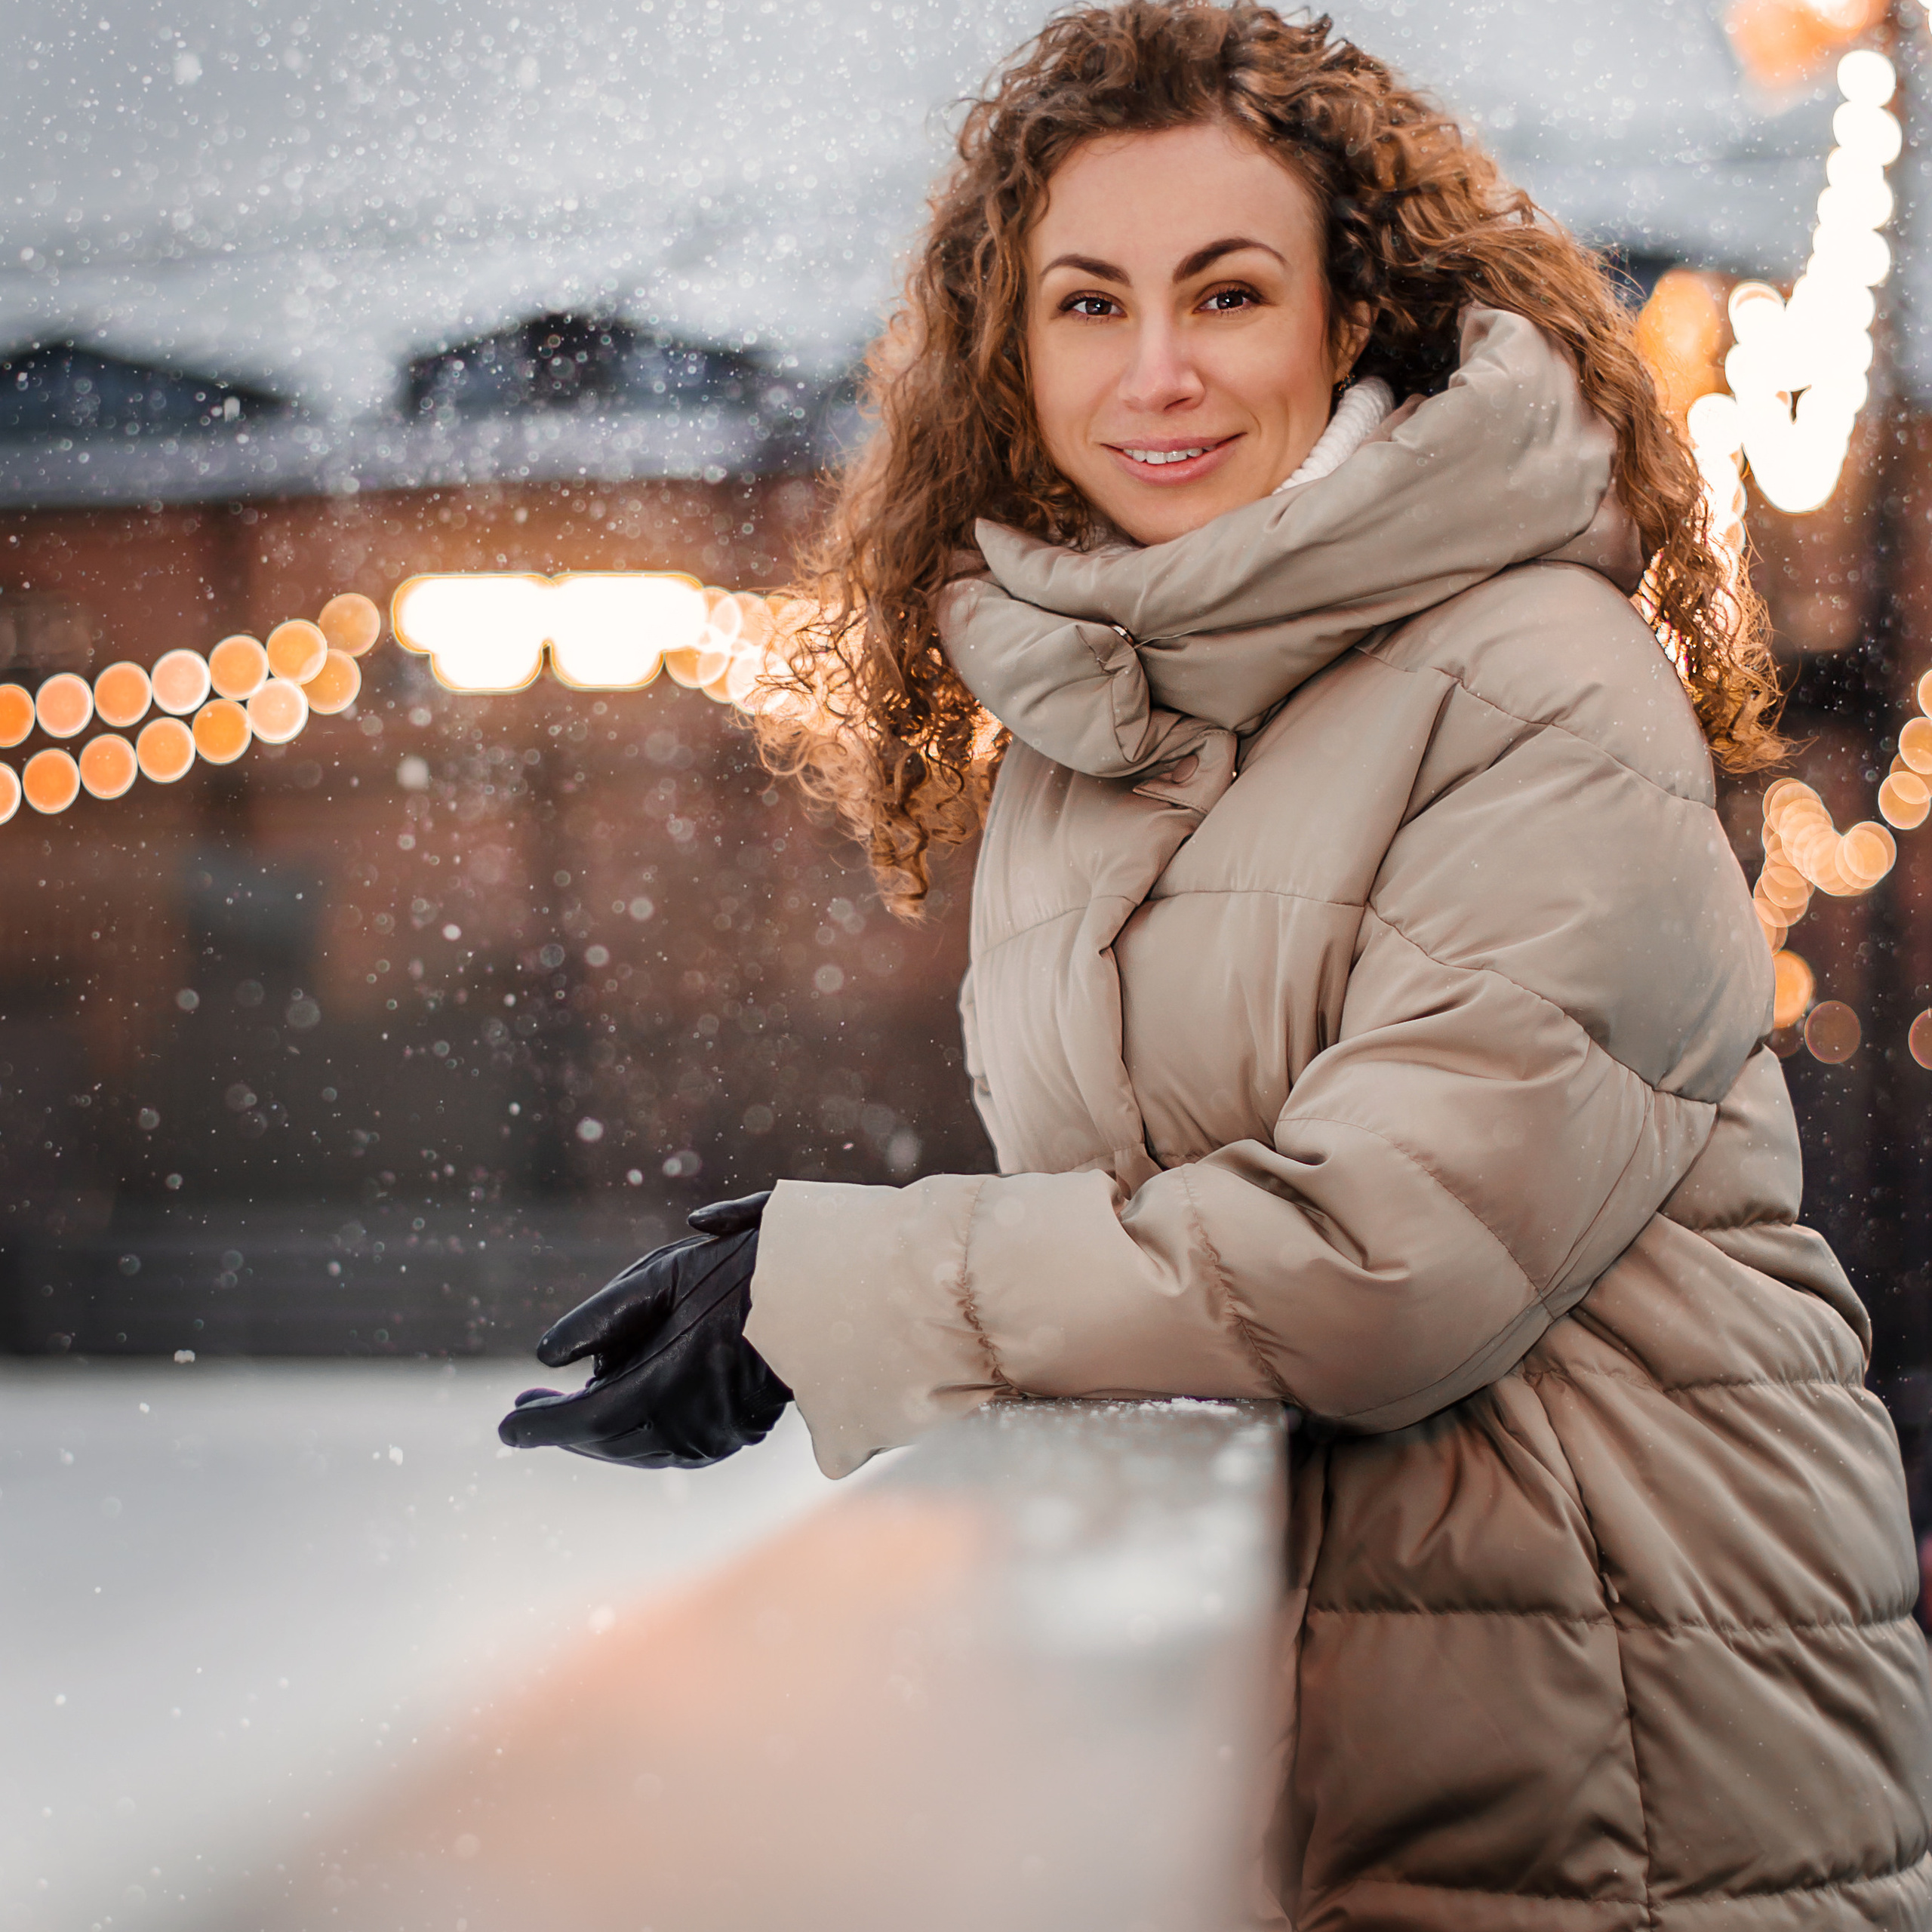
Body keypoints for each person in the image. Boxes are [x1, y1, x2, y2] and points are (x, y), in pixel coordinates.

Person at [500, 3, 1932, 1922]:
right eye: (1086, 304)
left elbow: (1381, 1261)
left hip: (1645, 1787)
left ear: (1351, 319)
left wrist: (833, 1283)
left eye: (1227, 293)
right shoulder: (1089, 729)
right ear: (1007, 354)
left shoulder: (1530, 672)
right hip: (1358, 1749)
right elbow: (1162, 1236)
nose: (1155, 372)